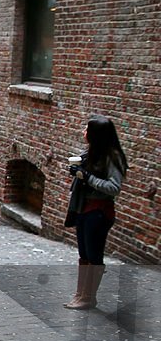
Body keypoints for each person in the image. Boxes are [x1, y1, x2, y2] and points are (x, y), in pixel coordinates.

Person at [63, 115, 127, 309]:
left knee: (93, 255)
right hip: (84, 208)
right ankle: (81, 293)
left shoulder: (112, 157)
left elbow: (114, 187)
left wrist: (88, 177)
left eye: (87, 130)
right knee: (84, 254)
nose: (84, 132)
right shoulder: (92, 152)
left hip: (98, 211)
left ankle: (88, 297)